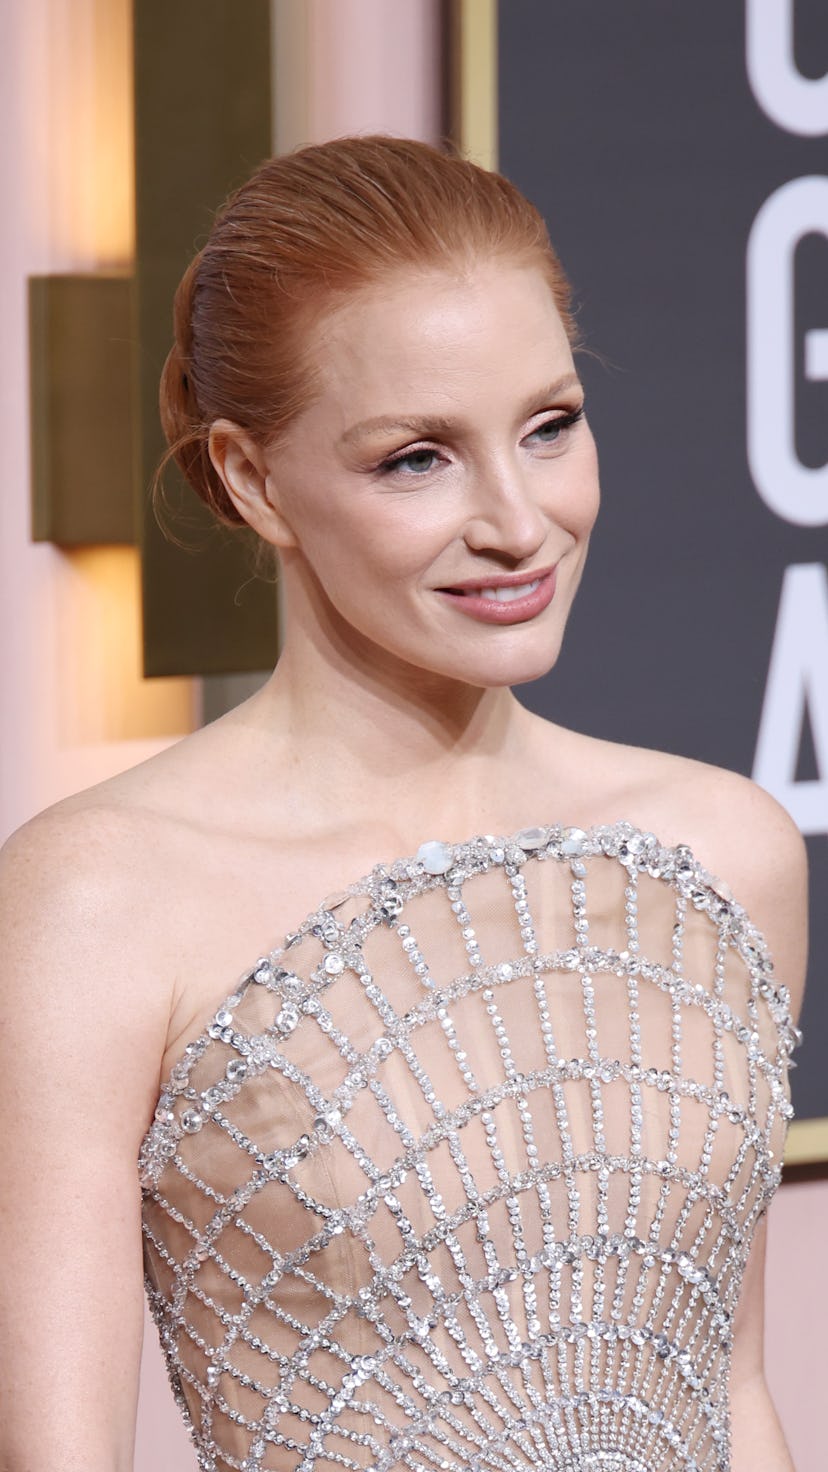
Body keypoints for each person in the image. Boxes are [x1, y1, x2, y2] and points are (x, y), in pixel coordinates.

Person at [0, 137, 806, 1472]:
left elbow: (734, 1395)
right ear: (254, 481)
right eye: (418, 458)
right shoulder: (102, 896)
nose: (518, 521)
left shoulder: (728, 854)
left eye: (550, 428)